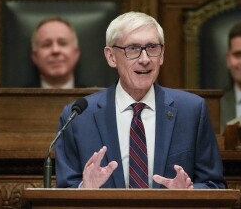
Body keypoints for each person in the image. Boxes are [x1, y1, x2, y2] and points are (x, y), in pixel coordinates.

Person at [55, 11, 227, 189]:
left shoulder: (191, 111)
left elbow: (214, 185)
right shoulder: (78, 116)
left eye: (152, 47)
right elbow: (64, 190)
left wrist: (188, 193)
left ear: (161, 55)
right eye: (133, 49)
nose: (144, 59)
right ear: (111, 56)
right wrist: (85, 189)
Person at [30, 16, 81, 88]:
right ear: (34, 56)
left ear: (76, 53)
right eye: (46, 45)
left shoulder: (96, 98)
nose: (55, 50)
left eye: (62, 43)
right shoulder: (17, 98)